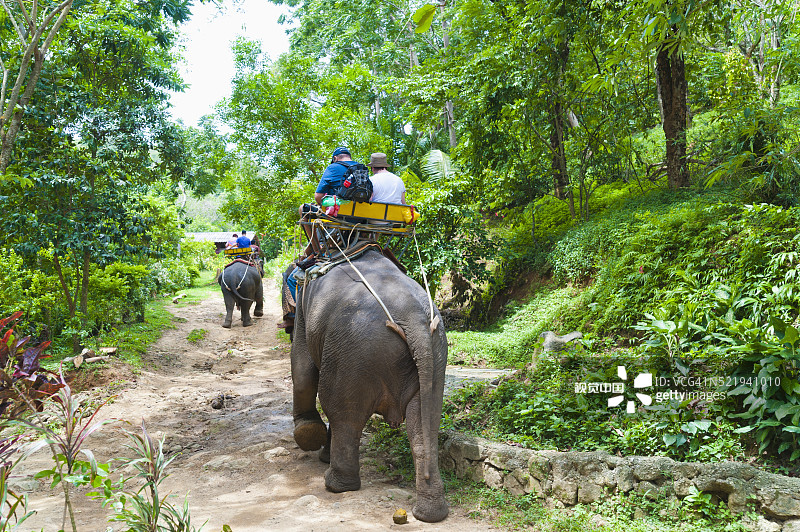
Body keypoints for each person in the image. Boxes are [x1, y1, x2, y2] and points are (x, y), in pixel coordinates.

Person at [297, 146, 362, 256]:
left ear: (335, 158)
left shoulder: (333, 168)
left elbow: (318, 197)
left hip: (339, 213)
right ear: (350, 157)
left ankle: (317, 250)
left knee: (302, 209)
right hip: (361, 214)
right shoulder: (361, 168)